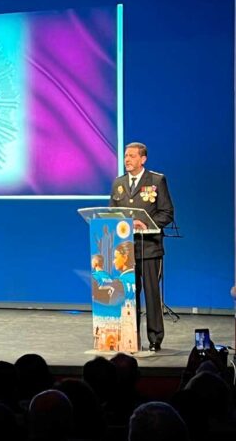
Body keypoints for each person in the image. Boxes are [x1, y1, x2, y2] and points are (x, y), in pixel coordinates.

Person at [110, 142, 174, 352]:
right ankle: (130, 337)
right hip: (126, 250)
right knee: (129, 295)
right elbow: (112, 214)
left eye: (132, 156)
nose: (127, 160)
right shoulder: (118, 183)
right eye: (125, 156)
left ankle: (155, 339)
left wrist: (146, 225)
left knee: (152, 295)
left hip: (150, 248)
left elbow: (166, 212)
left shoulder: (156, 180)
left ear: (143, 159)